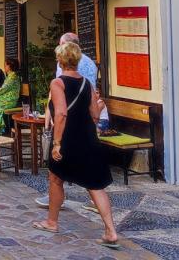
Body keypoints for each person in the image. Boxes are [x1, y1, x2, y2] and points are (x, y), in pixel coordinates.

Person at [31, 42, 119, 250]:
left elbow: (61, 114)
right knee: (95, 185)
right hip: (88, 138)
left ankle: (52, 222)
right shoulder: (87, 84)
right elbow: (95, 115)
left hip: (67, 138)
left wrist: (57, 143)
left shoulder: (58, 83)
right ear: (77, 60)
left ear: (60, 60)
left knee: (55, 178)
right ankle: (110, 231)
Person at [37, 32, 109, 211]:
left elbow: (62, 107)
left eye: (60, 46)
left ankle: (53, 213)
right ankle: (109, 227)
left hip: (69, 123)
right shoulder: (89, 65)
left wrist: (56, 138)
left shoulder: (63, 73)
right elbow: (93, 104)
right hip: (84, 124)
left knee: (56, 172)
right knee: (88, 171)